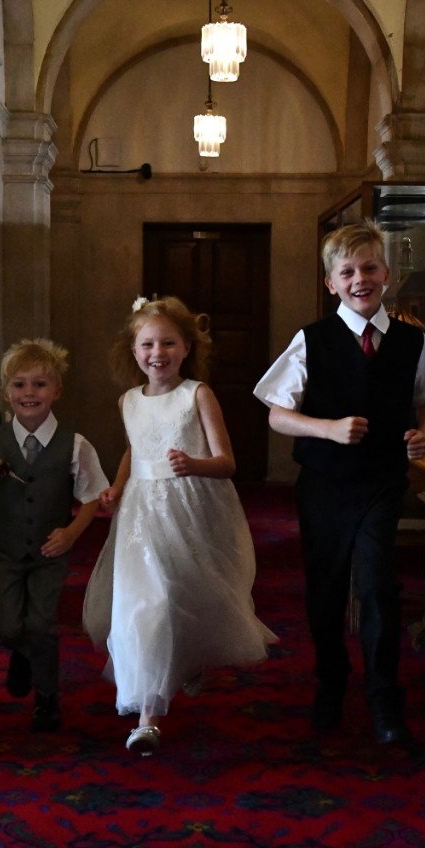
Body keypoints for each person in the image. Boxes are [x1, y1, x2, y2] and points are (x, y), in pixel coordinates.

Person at [254, 220, 425, 745]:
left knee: (379, 588)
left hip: (382, 483)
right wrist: (327, 428)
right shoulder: (311, 340)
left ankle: (385, 698)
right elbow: (277, 413)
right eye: (347, 271)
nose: (359, 278)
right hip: (324, 485)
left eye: (369, 268)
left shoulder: (411, 341)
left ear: (386, 274)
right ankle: (331, 683)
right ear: (331, 283)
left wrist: (422, 434)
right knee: (326, 589)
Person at [86, 295, 276, 756]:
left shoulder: (198, 395)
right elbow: (135, 449)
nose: (158, 353)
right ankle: (148, 716)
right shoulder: (128, 400)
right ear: (133, 352)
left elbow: (227, 462)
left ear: (187, 346)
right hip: (139, 515)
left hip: (190, 508)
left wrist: (193, 464)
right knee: (144, 604)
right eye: (148, 344)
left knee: (184, 594)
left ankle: (187, 656)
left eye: (168, 342)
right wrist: (116, 486)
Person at [0, 337, 109, 733]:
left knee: (41, 625)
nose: (29, 393)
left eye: (39, 384)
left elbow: (92, 498)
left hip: (49, 554)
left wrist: (71, 534)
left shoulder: (76, 445)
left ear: (56, 390)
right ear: (6, 393)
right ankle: (22, 655)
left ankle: (47, 698)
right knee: (5, 627)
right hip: (4, 553)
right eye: (19, 384)